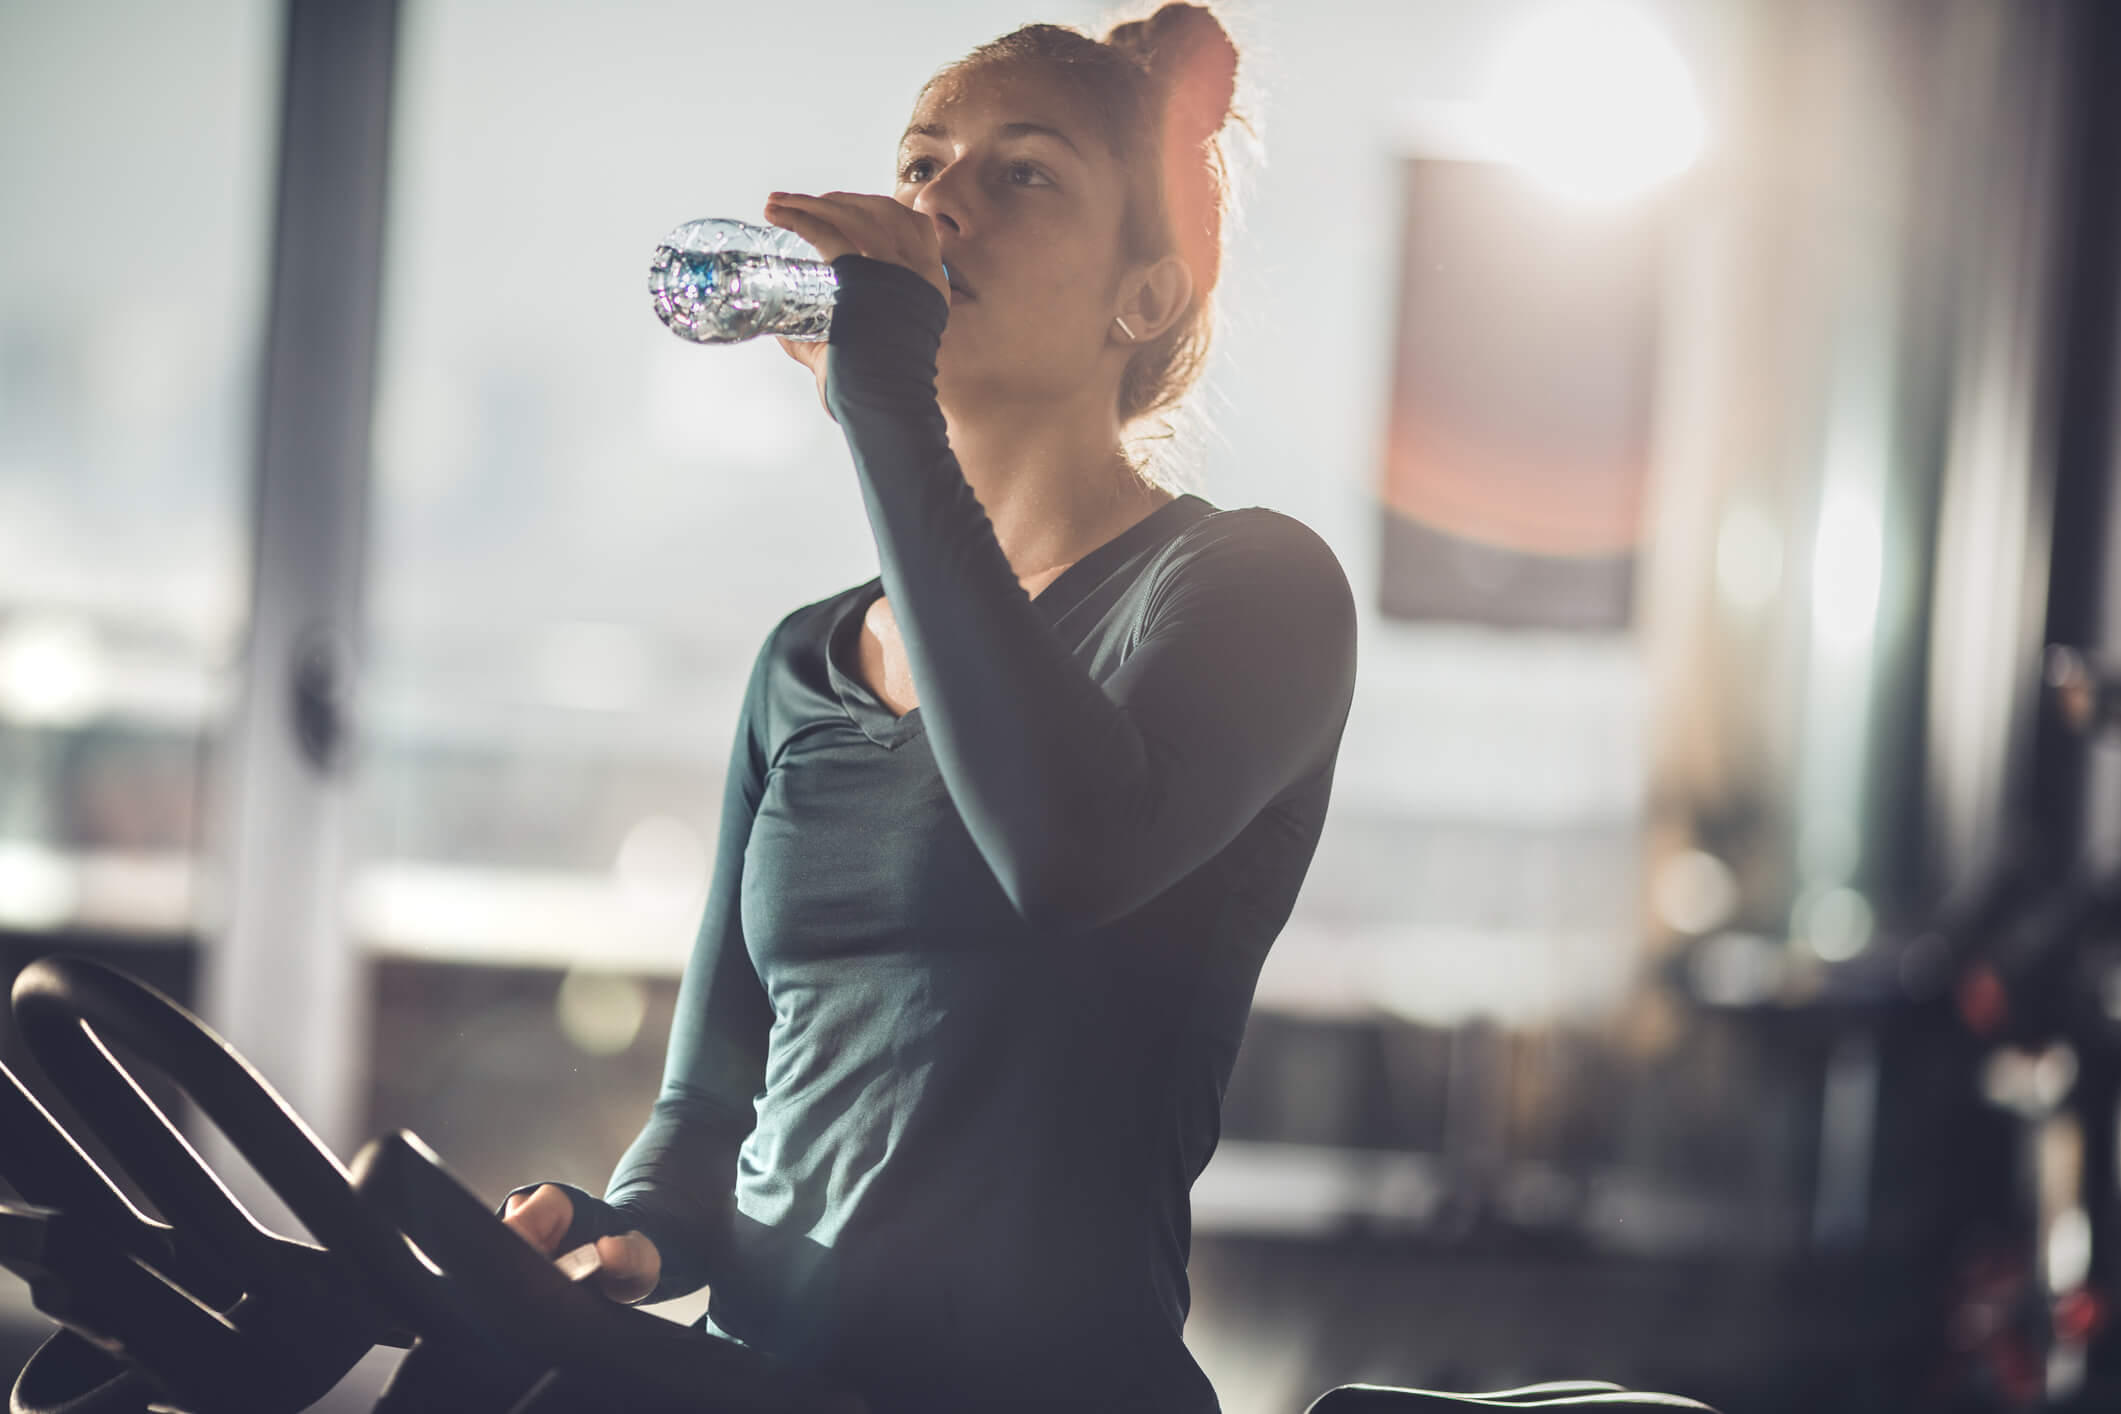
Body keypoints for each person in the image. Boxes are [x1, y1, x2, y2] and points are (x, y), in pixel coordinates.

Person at [499, 6, 1358, 1411]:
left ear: (1142, 296)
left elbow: (1066, 850)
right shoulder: (802, 663)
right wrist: (626, 1231)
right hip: (758, 1383)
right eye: (921, 163)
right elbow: (711, 1106)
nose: (937, 202)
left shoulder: (1251, 586)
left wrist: (884, 395)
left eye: (1021, 175)